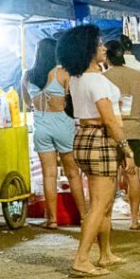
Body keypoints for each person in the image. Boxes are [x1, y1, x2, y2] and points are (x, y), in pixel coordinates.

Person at [59, 25, 135, 277]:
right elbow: (109, 119)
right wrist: (126, 149)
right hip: (101, 140)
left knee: (104, 202)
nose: (104, 48)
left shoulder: (78, 78)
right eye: (99, 44)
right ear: (88, 49)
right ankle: (82, 259)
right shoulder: (96, 80)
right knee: (100, 204)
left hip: (84, 137)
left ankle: (105, 254)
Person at [23, 37, 88, 230]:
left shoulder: (27, 75)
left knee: (48, 175)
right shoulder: (63, 73)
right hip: (63, 125)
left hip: (41, 126)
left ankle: (52, 220)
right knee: (72, 173)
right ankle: (84, 217)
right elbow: (72, 99)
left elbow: (27, 102)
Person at [104, 40, 140, 231]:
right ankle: (134, 219)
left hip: (110, 132)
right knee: (134, 174)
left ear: (107, 57)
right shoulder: (138, 75)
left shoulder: (103, 78)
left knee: (110, 177)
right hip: (134, 131)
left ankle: (107, 220)